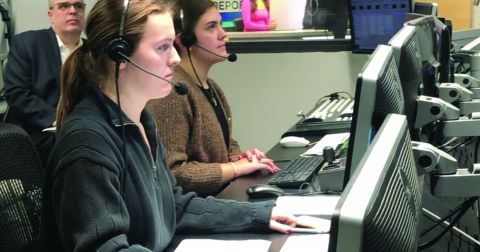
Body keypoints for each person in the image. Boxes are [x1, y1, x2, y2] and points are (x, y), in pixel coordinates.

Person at [40, 1, 298, 251]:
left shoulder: (141, 123)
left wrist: (259, 215)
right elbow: (104, 246)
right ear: (119, 55)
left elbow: (174, 206)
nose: (175, 58)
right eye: (163, 47)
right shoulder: (88, 142)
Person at [146, 0, 280, 196]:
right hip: (194, 215)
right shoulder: (174, 91)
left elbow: (224, 145)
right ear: (186, 40)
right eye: (211, 27)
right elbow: (172, 173)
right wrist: (234, 169)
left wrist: (241, 158)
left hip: (218, 201)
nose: (223, 34)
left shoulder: (211, 87)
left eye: (220, 24)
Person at [3, 0, 86, 167]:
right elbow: (16, 93)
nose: (72, 11)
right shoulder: (27, 43)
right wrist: (61, 121)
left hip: (84, 130)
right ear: (51, 15)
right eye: (64, 6)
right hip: (39, 131)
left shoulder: (94, 52)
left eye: (78, 6)